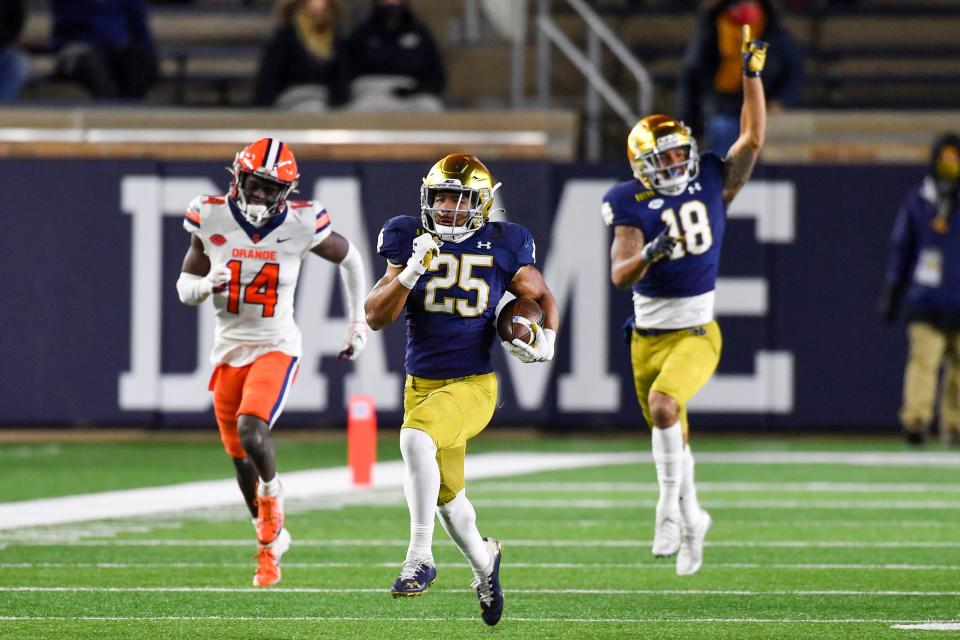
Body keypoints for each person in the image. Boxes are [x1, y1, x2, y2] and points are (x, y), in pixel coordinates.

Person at [364, 153, 558, 626]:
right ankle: (484, 561)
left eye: (460, 198)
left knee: (414, 439)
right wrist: (409, 272)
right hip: (421, 386)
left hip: (473, 385)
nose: (449, 208)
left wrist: (544, 339)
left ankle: (418, 557)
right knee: (449, 499)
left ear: (482, 204)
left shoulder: (506, 242)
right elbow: (374, 315)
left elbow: (540, 294)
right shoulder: (407, 235)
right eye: (442, 197)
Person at [602, 26, 768, 576]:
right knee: (672, 431)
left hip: (697, 331)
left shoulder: (712, 182)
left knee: (666, 407)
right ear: (640, 166)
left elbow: (751, 139)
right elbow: (621, 275)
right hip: (645, 338)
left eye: (680, 156)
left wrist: (751, 77)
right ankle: (694, 516)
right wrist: (651, 251)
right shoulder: (628, 200)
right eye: (664, 160)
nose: (675, 166)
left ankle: (667, 511)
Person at [176, 138, 369, 586]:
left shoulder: (302, 222)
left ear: (285, 190)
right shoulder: (210, 214)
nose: (260, 195)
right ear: (236, 178)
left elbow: (352, 259)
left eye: (269, 187)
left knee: (251, 428)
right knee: (240, 458)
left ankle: (273, 497)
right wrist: (207, 286)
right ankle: (269, 541)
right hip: (228, 351)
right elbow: (185, 287)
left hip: (276, 346)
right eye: (254, 184)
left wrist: (356, 322)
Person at [880, 133, 960, 447]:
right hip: (926, 298)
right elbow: (902, 249)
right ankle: (915, 421)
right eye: (946, 159)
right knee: (923, 362)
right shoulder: (919, 200)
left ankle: (954, 426)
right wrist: (892, 291)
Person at [677, 0, 801, 156]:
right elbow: (693, 75)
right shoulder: (711, 32)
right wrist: (689, 119)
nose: (745, 7)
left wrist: (782, 99)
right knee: (722, 130)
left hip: (761, 105)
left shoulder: (775, 34)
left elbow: (793, 71)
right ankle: (723, 176)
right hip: (721, 105)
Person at [342, 0, 446, 111]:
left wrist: (418, 89)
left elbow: (436, 75)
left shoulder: (420, 34)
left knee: (430, 107)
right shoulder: (361, 33)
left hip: (411, 92)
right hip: (370, 91)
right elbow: (345, 71)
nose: (391, 4)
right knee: (356, 110)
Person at [49, 0, 158, 100]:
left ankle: (129, 108)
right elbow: (67, 23)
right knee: (93, 63)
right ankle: (109, 109)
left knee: (140, 59)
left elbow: (139, 27)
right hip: (79, 47)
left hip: (117, 48)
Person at [252, 0, 350, 110]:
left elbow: (341, 80)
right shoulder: (285, 36)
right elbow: (269, 79)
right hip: (294, 99)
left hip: (325, 101)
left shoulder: (336, 39)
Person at [0, 0, 29, 102]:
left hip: (3, 48)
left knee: (17, 64)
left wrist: (5, 40)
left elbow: (16, 22)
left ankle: (3, 108)